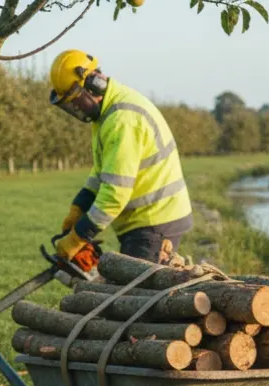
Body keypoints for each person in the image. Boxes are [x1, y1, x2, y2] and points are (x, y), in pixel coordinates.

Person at [47, 50, 193, 265]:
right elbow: (102, 174)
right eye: (71, 105)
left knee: (137, 294)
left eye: (78, 101)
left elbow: (115, 193)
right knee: (127, 289)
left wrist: (78, 237)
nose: (77, 108)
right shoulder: (107, 113)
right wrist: (78, 208)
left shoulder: (122, 119)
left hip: (155, 220)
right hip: (146, 218)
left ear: (95, 83)